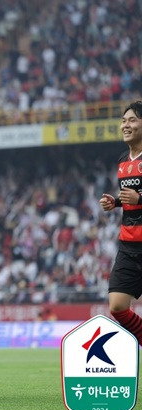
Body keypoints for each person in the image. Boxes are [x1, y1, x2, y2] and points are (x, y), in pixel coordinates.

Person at [99, 100, 142, 346]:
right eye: (124, 120)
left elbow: (138, 196)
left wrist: (139, 198)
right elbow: (133, 199)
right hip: (128, 245)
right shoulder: (123, 159)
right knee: (117, 306)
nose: (125, 125)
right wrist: (115, 202)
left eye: (132, 120)